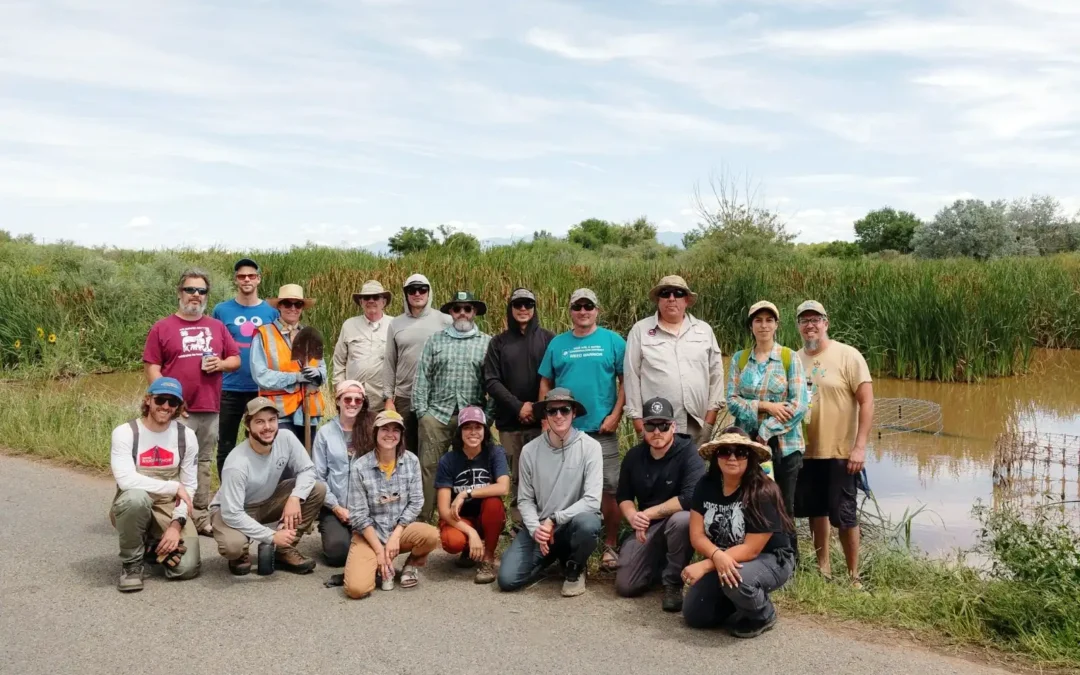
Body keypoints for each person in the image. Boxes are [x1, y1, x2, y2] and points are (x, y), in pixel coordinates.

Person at [143, 268, 240, 535]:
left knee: (203, 464)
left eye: (201, 291)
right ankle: (166, 516)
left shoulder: (217, 327)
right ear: (179, 293)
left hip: (209, 408)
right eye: (190, 290)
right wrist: (166, 402)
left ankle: (200, 518)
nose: (196, 295)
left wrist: (220, 363)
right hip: (174, 412)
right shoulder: (162, 327)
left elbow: (235, 359)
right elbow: (152, 366)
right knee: (170, 463)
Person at [538, 288, 626, 572]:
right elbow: (545, 383)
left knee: (609, 488)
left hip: (602, 429)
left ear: (597, 310)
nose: (583, 311)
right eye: (578, 307)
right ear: (571, 311)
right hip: (566, 431)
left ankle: (610, 544)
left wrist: (616, 414)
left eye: (588, 306)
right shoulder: (557, 344)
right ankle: (569, 546)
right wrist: (545, 417)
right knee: (568, 488)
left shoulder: (613, 341)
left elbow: (626, 382)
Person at [682, 428, 796, 638]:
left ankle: (763, 612)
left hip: (770, 558)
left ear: (750, 457)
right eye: (725, 452)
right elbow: (696, 535)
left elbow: (752, 550)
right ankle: (740, 603)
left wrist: (708, 563)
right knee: (694, 615)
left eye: (740, 452)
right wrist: (717, 556)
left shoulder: (762, 490)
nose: (732, 458)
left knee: (739, 580)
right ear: (716, 457)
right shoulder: (705, 485)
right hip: (726, 556)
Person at [794, 300, 874, 587]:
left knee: (846, 515)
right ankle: (823, 569)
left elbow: (866, 402)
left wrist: (860, 446)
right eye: (805, 320)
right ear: (799, 327)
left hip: (841, 452)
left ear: (826, 323)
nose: (810, 325)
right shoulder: (792, 359)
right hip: (805, 452)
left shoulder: (848, 356)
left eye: (816, 319)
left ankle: (854, 576)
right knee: (817, 511)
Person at [497, 389, 603, 598]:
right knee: (507, 579)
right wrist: (537, 529)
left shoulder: (591, 447)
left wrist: (554, 519)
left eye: (564, 410)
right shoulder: (530, 451)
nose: (559, 416)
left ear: (573, 413)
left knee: (589, 524)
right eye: (552, 411)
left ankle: (575, 566)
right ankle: (551, 555)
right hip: (541, 525)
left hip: (571, 523)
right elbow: (525, 500)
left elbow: (592, 501)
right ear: (545, 415)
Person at [210, 397, 328, 575]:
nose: (267, 427)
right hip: (232, 508)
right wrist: (271, 535)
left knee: (316, 489)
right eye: (259, 422)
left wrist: (296, 497)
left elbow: (308, 469)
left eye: (272, 420)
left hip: (267, 500)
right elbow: (232, 513)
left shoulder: (286, 438)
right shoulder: (237, 463)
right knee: (233, 546)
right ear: (248, 426)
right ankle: (240, 553)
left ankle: (285, 549)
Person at [109, 377, 200, 592]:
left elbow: (189, 487)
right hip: (134, 503)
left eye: (173, 402)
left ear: (179, 407)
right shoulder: (125, 433)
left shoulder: (186, 437)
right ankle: (131, 563)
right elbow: (126, 480)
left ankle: (151, 546)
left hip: (168, 506)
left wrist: (175, 527)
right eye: (160, 399)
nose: (166, 406)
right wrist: (173, 486)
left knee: (186, 569)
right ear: (148, 400)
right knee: (136, 498)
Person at [615, 397, 705, 612]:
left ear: (673, 426)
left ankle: (673, 583)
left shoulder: (689, 452)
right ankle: (659, 567)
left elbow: (690, 498)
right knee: (626, 586)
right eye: (651, 425)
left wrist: (647, 513)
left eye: (663, 425)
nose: (657, 431)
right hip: (648, 526)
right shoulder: (634, 456)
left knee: (682, 520)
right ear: (643, 428)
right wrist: (633, 517)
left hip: (678, 523)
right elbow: (623, 496)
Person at [412, 290, 494, 522]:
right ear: (450, 312)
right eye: (457, 309)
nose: (462, 313)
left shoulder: (487, 343)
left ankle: (467, 520)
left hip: (473, 419)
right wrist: (422, 413)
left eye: (467, 309)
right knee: (428, 467)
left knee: (473, 469)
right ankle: (424, 518)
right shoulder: (435, 340)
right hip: (437, 415)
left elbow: (494, 383)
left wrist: (488, 416)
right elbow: (422, 378)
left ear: (474, 312)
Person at [725, 300, 808, 523]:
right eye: (758, 320)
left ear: (776, 325)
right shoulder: (739, 359)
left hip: (785, 447)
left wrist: (766, 430)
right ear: (751, 326)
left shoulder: (790, 358)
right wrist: (765, 406)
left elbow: (799, 405)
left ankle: (787, 556)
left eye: (769, 320)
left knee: (783, 507)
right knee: (748, 504)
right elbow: (732, 401)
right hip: (746, 446)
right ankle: (751, 554)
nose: (764, 325)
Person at [343, 410, 439, 598]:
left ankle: (411, 565)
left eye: (396, 430)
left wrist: (396, 535)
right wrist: (380, 551)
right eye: (385, 429)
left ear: (402, 435)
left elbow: (417, 501)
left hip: (399, 531)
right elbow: (359, 516)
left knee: (432, 535)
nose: (390, 434)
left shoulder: (411, 461)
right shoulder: (360, 466)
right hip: (369, 536)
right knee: (356, 589)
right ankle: (380, 564)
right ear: (375, 433)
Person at [623, 275, 724, 447]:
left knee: (694, 473)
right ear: (658, 300)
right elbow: (631, 376)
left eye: (677, 293)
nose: (671, 298)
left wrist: (709, 422)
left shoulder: (704, 330)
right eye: (665, 293)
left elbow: (717, 375)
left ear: (686, 300)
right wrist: (640, 426)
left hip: (697, 424)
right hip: (656, 427)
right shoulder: (640, 330)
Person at [482, 287, 554, 527]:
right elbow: (491, 380)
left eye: (528, 304)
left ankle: (544, 522)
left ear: (534, 308)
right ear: (510, 309)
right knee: (514, 476)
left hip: (542, 423)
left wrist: (536, 409)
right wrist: (517, 406)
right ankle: (518, 525)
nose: (523, 309)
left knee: (542, 474)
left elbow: (555, 377)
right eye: (518, 304)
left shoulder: (548, 339)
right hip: (509, 423)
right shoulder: (498, 342)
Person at [212, 257, 279, 476]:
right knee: (226, 445)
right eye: (242, 276)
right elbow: (215, 348)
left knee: (259, 442)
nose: (246, 279)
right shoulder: (222, 310)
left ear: (258, 279)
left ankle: (256, 491)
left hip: (260, 389)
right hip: (229, 388)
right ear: (236, 280)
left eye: (251, 275)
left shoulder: (271, 312)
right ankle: (225, 495)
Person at [435, 406, 510, 584]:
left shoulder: (494, 452)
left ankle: (488, 558)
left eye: (478, 427)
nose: (473, 432)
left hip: (487, 517)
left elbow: (503, 487)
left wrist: (465, 493)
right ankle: (469, 548)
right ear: (460, 431)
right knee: (451, 541)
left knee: (493, 502)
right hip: (460, 518)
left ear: (485, 430)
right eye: (467, 427)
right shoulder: (448, 460)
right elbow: (444, 509)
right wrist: (470, 533)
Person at [382, 274, 453, 455]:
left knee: (432, 452)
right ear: (406, 294)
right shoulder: (395, 324)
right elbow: (390, 362)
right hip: (405, 397)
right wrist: (388, 399)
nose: (417, 293)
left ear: (429, 292)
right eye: (412, 290)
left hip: (435, 398)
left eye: (422, 289)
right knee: (404, 450)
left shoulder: (445, 321)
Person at [250, 284, 327, 441]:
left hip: (308, 411)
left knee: (306, 460)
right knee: (283, 462)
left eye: (297, 304)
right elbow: (260, 375)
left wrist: (318, 374)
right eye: (287, 303)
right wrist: (295, 378)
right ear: (279, 306)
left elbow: (323, 370)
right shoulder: (263, 334)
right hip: (278, 414)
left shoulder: (310, 335)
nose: (293, 308)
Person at [312, 380, 375, 567]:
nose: (353, 403)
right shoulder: (325, 433)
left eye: (358, 400)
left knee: (374, 545)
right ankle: (341, 535)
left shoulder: (372, 430)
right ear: (338, 401)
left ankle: (358, 536)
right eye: (348, 399)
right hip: (334, 507)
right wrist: (337, 508)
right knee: (337, 555)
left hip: (366, 508)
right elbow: (318, 476)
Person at [332, 280, 394, 412]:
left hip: (384, 402)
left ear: (383, 302)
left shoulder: (395, 325)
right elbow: (339, 363)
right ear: (361, 302)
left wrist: (392, 398)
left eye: (376, 297)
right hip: (353, 401)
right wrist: (341, 391)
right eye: (366, 297)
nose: (371, 300)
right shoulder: (349, 325)